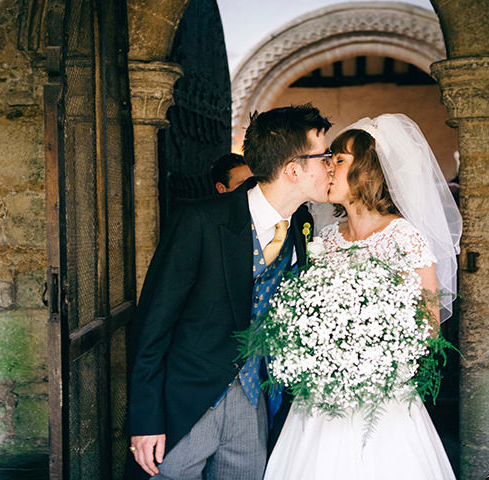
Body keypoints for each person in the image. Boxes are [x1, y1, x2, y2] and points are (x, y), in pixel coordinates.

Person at [125, 104, 333, 480]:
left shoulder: (302, 223)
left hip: (253, 403)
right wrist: (145, 418)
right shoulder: (200, 220)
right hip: (187, 402)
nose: (331, 166)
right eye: (324, 156)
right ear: (293, 169)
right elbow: (152, 327)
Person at [263, 114, 462, 479]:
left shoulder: (405, 237)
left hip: (380, 399)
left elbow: (428, 329)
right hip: (322, 394)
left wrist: (367, 357)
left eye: (338, 160)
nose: (328, 167)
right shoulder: (328, 238)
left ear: (368, 172)